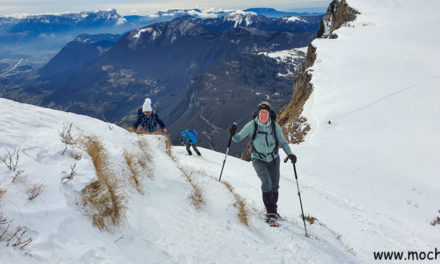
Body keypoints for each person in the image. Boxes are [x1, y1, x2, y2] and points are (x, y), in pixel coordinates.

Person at [228, 101, 297, 226]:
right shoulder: (252, 125)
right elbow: (238, 138)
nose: (263, 115)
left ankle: (272, 209)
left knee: (275, 185)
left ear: (269, 114)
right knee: (266, 182)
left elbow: (283, 142)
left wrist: (290, 154)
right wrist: (232, 134)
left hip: (274, 158)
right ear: (258, 113)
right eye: (261, 112)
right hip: (258, 159)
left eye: (265, 112)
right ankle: (271, 212)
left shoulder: (274, 126)